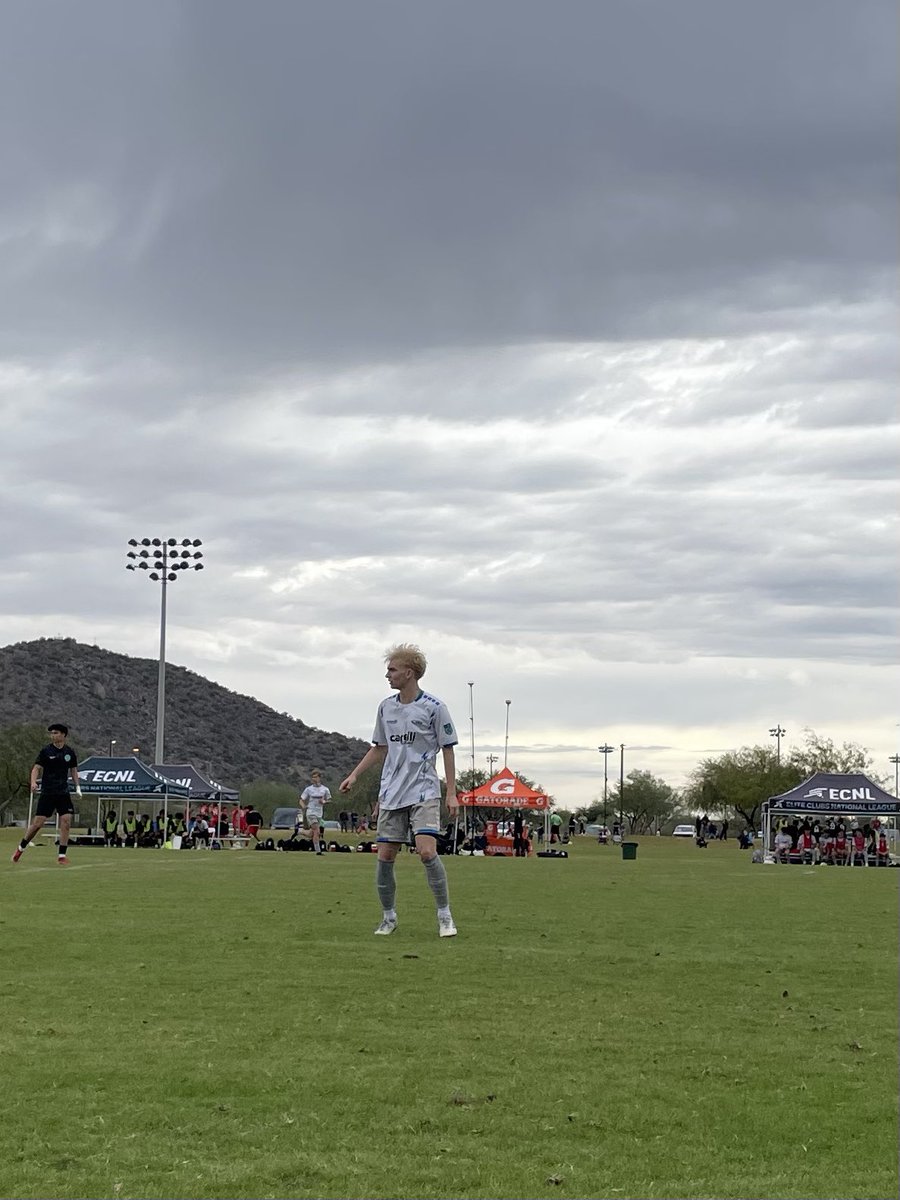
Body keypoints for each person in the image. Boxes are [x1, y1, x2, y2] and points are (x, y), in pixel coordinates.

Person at [340, 643, 459, 938]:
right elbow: (380, 748)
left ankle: (444, 915)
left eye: (392, 669)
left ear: (409, 672)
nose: (387, 675)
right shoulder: (386, 707)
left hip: (423, 790)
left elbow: (448, 750)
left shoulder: (434, 707)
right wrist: (354, 775)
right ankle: (388, 917)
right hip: (391, 793)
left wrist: (452, 792)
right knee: (384, 856)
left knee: (426, 851)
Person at [12, 723, 82, 865]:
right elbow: (36, 768)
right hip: (48, 792)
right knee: (38, 824)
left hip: (63, 792)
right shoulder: (46, 751)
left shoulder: (69, 752)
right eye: (52, 733)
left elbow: (73, 770)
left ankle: (62, 855)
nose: (53, 735)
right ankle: (21, 847)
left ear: (63, 735)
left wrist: (78, 787)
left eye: (56, 733)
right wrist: (33, 782)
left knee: (66, 821)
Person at [299, 769, 331, 856]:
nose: (314, 779)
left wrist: (323, 802)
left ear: (319, 778)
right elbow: (301, 800)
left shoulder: (325, 789)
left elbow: (329, 800)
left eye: (316, 777)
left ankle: (301, 831)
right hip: (311, 812)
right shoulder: (308, 789)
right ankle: (318, 851)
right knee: (317, 831)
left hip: (319, 813)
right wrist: (304, 806)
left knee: (311, 834)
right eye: (313, 777)